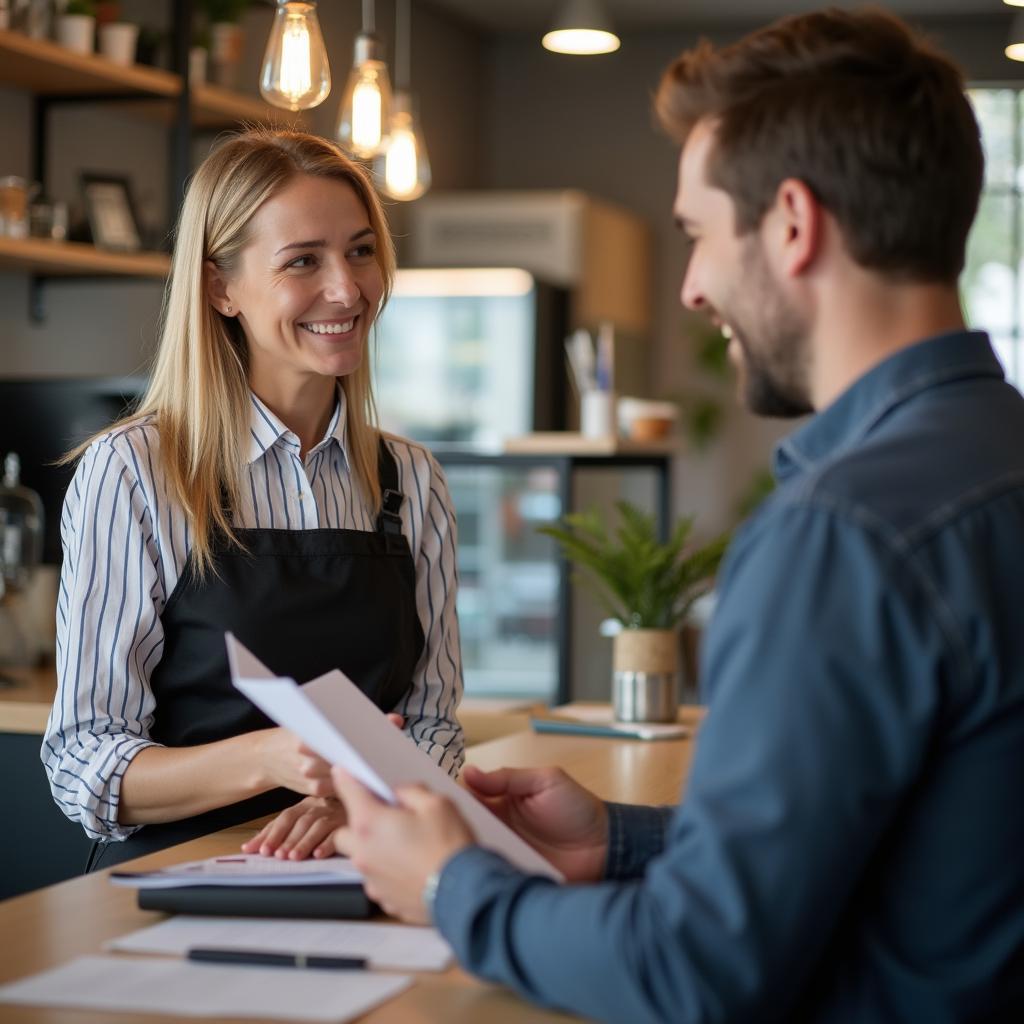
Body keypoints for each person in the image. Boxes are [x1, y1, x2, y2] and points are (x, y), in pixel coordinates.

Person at [326, 9, 1024, 1022]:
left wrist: (450, 884)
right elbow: (921, 838)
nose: (692, 288)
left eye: (698, 232)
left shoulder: (841, 533)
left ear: (793, 223)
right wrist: (622, 837)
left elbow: (694, 969)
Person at [42, 129, 464, 869]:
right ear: (220, 289)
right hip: (177, 886)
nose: (347, 287)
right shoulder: (137, 471)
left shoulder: (411, 481)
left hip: (363, 871)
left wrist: (343, 804)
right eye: (304, 260)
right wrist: (272, 758)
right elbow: (85, 763)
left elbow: (434, 727)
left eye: (361, 251)